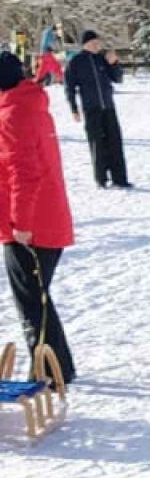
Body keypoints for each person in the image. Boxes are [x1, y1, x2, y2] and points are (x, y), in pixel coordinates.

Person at [0, 48, 77, 383]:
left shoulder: (13, 114)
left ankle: (48, 371)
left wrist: (21, 223)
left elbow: (24, 172)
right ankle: (57, 367)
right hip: (44, 217)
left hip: (30, 224)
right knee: (36, 297)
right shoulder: (28, 104)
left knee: (32, 300)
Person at [64, 28, 129, 188]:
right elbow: (69, 87)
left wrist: (114, 64)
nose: (97, 45)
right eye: (94, 42)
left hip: (108, 106)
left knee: (115, 142)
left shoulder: (102, 58)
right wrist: (74, 108)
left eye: (98, 42)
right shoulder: (76, 62)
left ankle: (120, 178)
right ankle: (101, 178)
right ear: (86, 44)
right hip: (91, 108)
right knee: (97, 144)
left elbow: (117, 78)